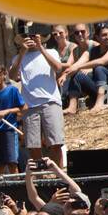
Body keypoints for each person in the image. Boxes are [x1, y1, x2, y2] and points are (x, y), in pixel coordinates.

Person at [9, 31, 67, 168]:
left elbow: (58, 68)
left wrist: (41, 48)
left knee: (55, 142)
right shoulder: (18, 57)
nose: (31, 40)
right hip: (30, 105)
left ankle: (57, 174)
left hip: (51, 102)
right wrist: (23, 52)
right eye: (27, 37)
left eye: (34, 37)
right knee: (33, 144)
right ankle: (40, 176)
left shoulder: (51, 52)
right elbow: (12, 75)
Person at [62, 20, 108, 111]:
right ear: (98, 37)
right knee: (77, 75)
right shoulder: (92, 51)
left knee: (99, 68)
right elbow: (77, 64)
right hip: (99, 87)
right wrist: (65, 75)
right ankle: (72, 107)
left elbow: (102, 61)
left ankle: (99, 104)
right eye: (104, 35)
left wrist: (80, 67)